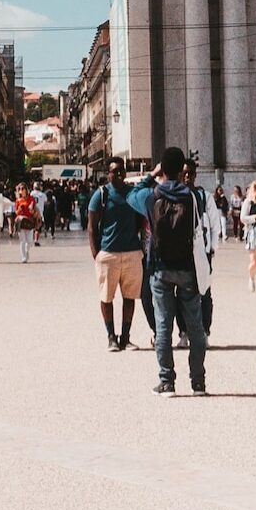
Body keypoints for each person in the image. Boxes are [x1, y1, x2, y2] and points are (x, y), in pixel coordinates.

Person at [134, 148, 209, 396]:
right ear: (181, 170)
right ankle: (198, 381)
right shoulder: (194, 197)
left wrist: (151, 174)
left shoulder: (150, 195)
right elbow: (198, 225)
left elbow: (131, 195)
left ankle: (167, 382)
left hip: (160, 268)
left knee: (163, 325)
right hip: (187, 267)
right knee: (195, 326)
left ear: (162, 169)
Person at [86, 160, 146, 351]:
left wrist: (142, 249)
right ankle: (111, 336)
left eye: (121, 171)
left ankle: (125, 337)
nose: (118, 174)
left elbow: (141, 221)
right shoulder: (101, 194)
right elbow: (91, 227)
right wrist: (96, 254)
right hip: (108, 254)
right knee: (106, 297)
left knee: (129, 297)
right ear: (108, 173)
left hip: (131, 252)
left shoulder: (132, 194)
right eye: (114, 171)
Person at [11, 181, 39, 263]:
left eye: (23, 188)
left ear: (26, 190)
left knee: (29, 241)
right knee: (22, 241)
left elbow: (34, 211)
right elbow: (15, 213)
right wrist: (19, 209)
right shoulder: (18, 201)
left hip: (29, 220)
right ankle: (23, 257)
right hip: (20, 221)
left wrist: (31, 209)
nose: (21, 190)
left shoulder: (31, 199)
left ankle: (26, 252)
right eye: (19, 189)